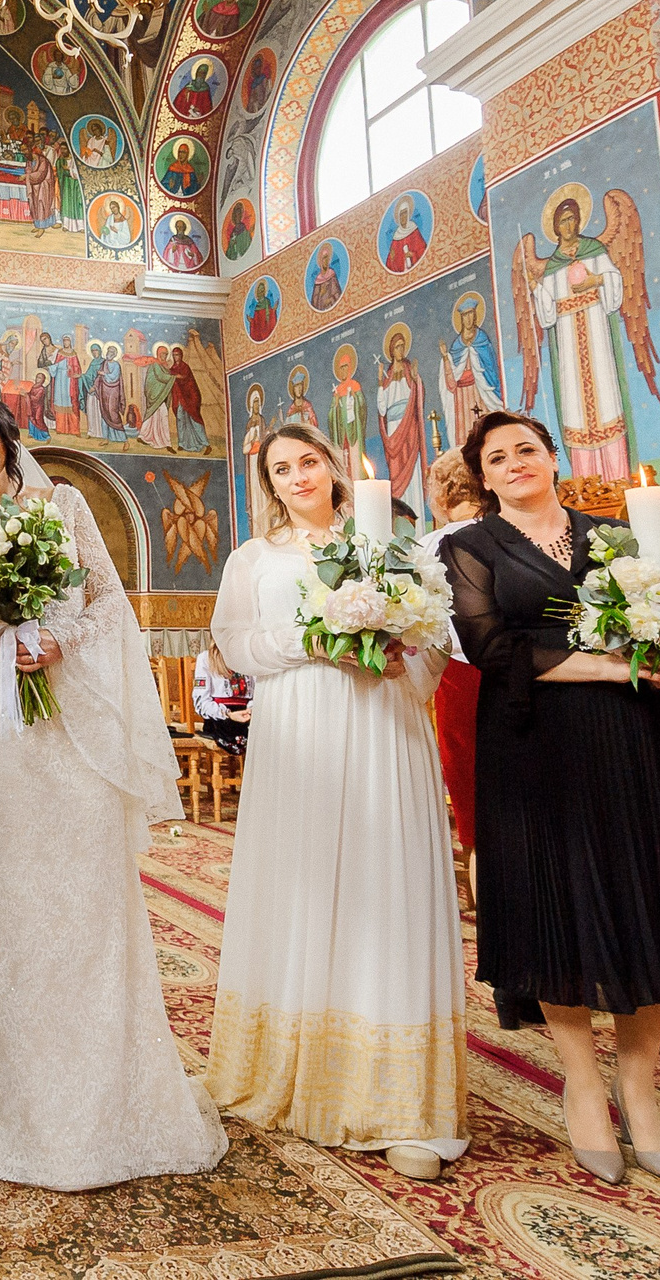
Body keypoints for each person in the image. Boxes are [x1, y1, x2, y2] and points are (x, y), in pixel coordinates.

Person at [0, 370, 227, 1189]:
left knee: (86, 892)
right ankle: (19, 1084)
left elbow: (109, 603)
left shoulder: (65, 506)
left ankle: (106, 1086)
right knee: (14, 896)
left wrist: (58, 640)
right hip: (1, 731)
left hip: (68, 721)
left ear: (6, 434)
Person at [437, 411, 660, 1187]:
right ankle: (580, 1083)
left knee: (645, 897)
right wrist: (611, 667)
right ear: (483, 476)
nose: (515, 463)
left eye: (526, 449)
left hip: (635, 742)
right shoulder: (470, 547)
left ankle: (640, 1090)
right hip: (533, 744)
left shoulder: (618, 537)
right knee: (556, 903)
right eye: (497, 457)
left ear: (551, 457)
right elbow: (492, 648)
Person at [208, 424, 464, 1179]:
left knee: (384, 883)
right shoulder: (254, 558)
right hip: (299, 724)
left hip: (382, 721)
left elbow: (436, 636)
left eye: (308, 461)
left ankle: (398, 1097)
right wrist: (313, 643)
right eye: (281, 469)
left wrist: (401, 655)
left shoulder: (393, 547)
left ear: (332, 465)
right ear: (269, 483)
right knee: (307, 880)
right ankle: (291, 1069)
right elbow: (236, 642)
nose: (298, 477)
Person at [420, 449, 484, 858]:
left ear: (439, 495)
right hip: (533, 671)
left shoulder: (429, 546)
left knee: (474, 796)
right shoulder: (511, 532)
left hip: (458, 675)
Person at [193, 646, 249, 752]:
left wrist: (251, 709)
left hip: (249, 719)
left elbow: (258, 693)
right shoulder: (206, 658)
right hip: (220, 721)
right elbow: (201, 702)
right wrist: (228, 714)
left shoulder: (251, 656)